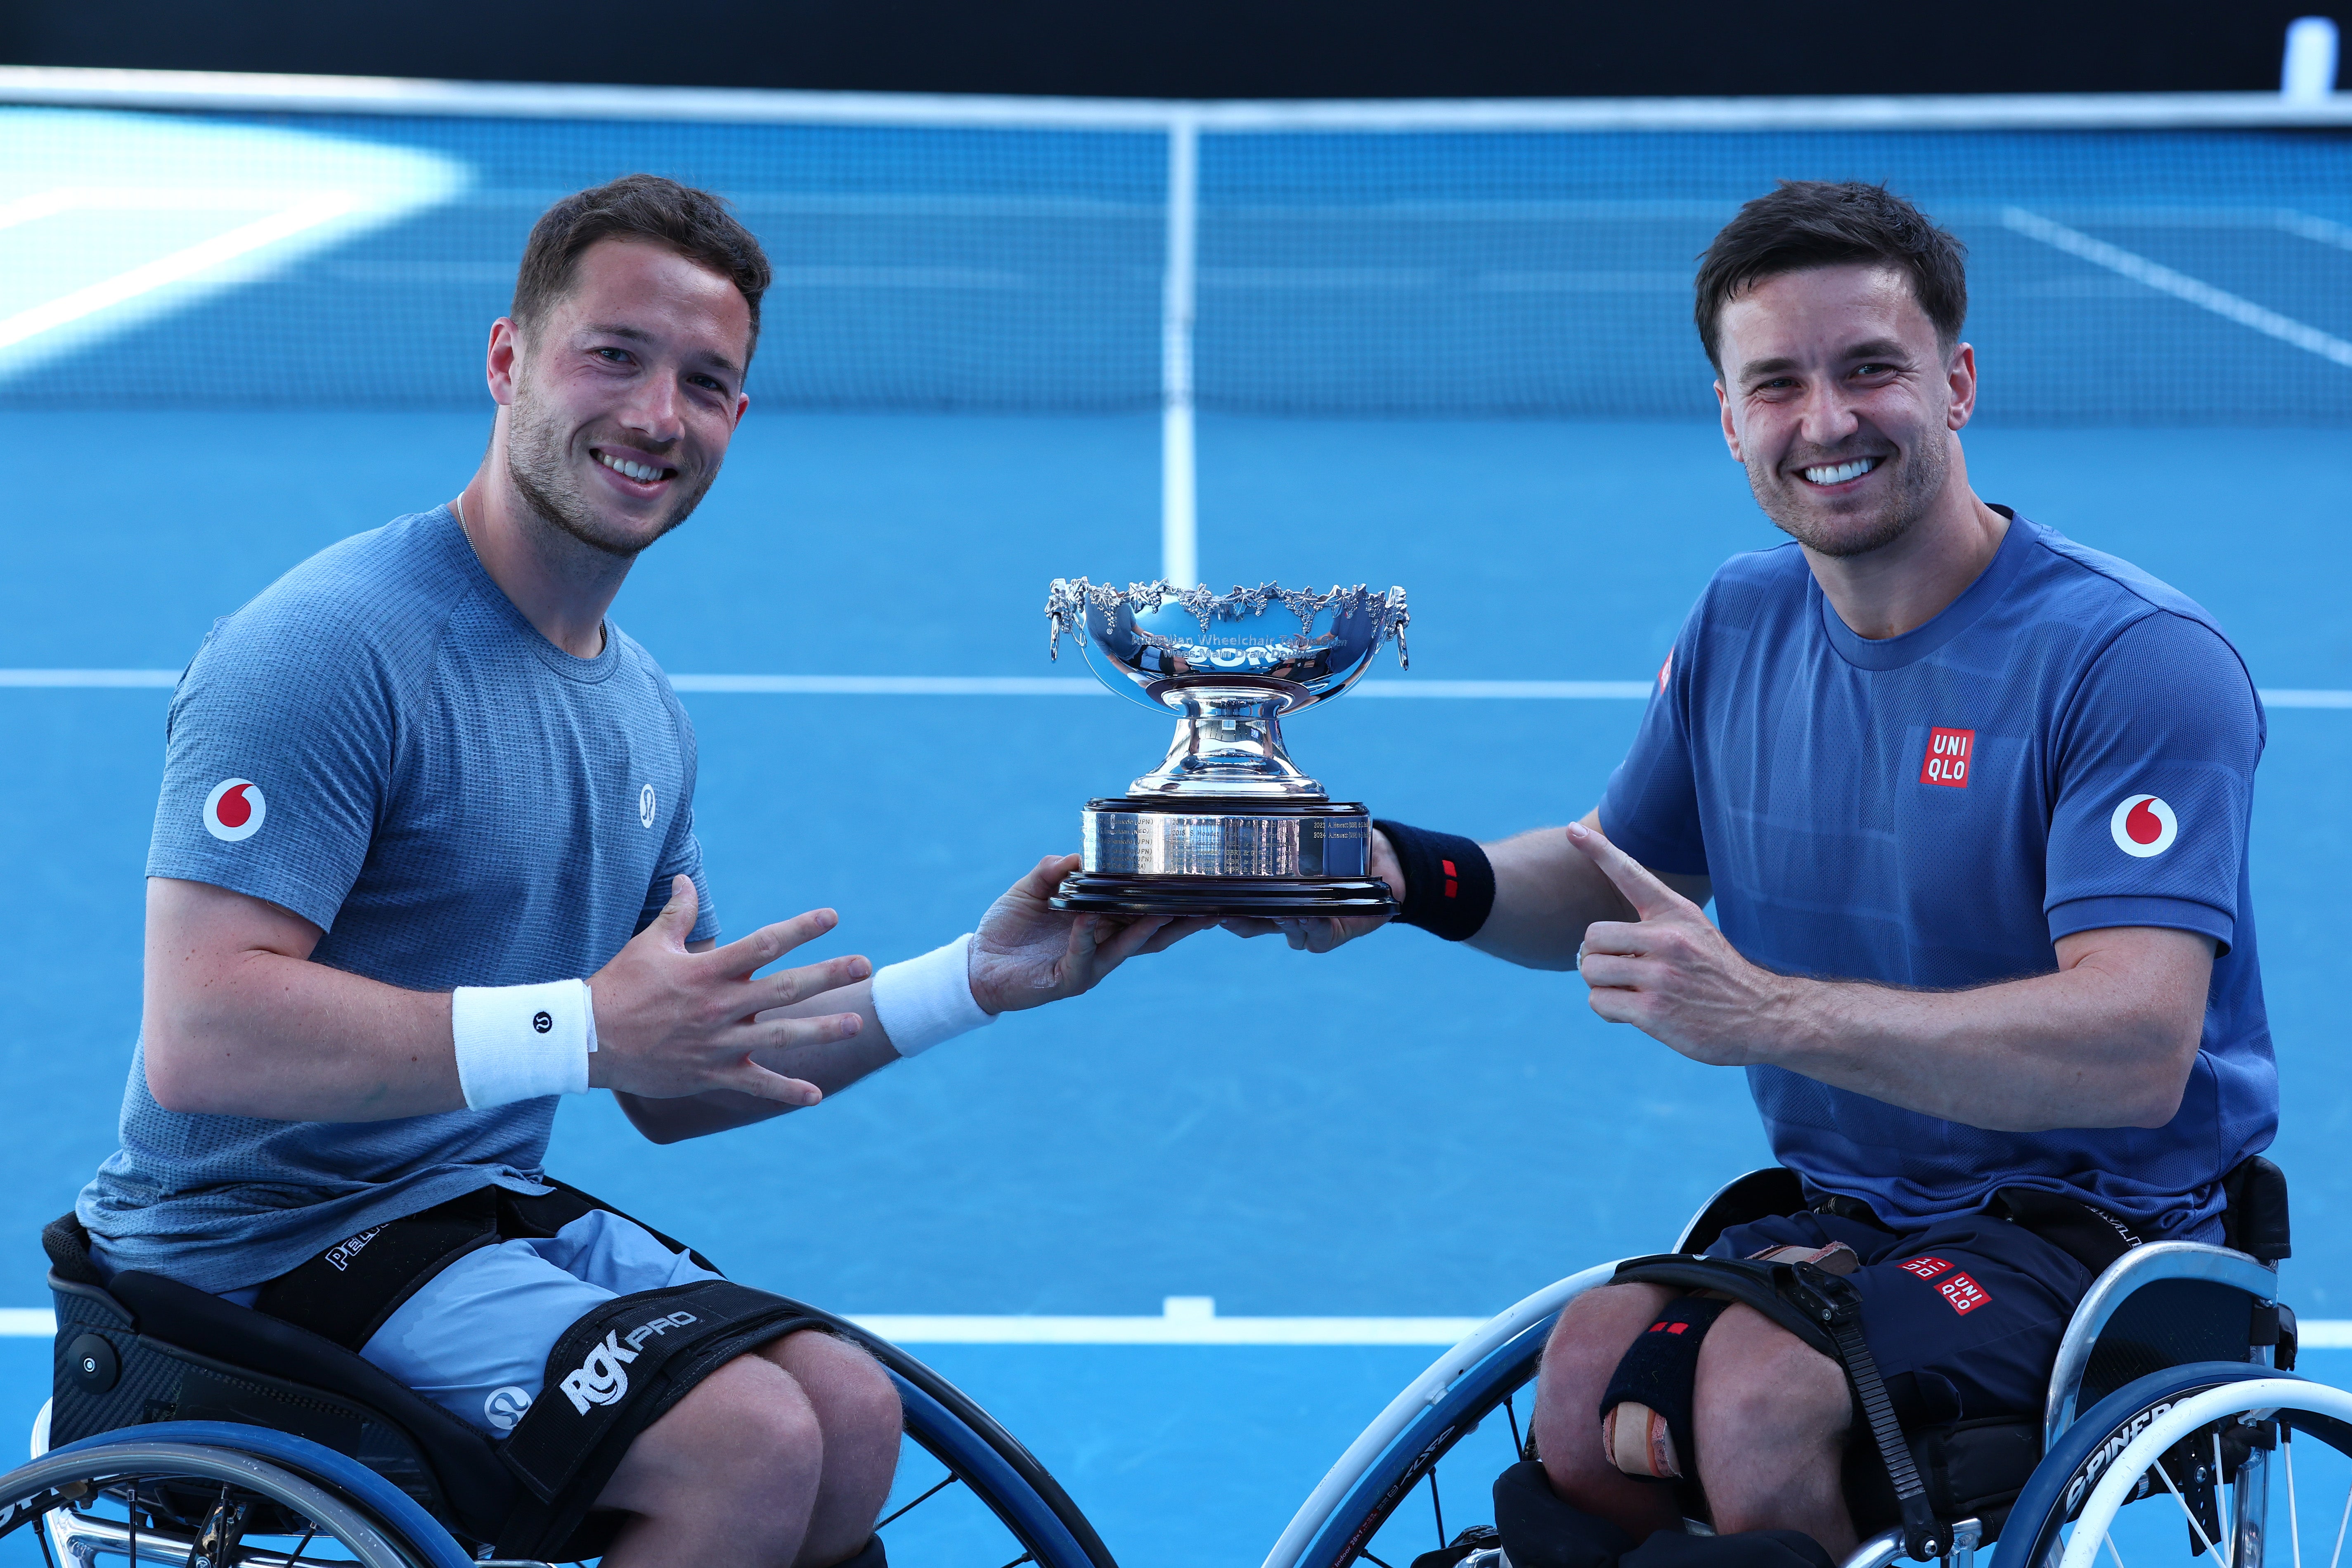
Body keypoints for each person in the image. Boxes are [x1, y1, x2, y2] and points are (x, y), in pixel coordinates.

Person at [75, 174, 1199, 1568]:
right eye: (614, 355)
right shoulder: (325, 649)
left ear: (736, 418)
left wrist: (976, 981)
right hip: (247, 1262)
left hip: (454, 1219)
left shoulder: (641, 709)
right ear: (507, 361)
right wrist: (585, 1028)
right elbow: (202, 1036)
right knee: (746, 1438)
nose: (657, 416)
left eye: (706, 382)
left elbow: (679, 1076)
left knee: (847, 1408)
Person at [1231, 180, 2273, 1559]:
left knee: (1758, 1398)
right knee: (1589, 1374)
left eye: (1870, 371)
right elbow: (1623, 878)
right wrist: (1398, 877)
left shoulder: (2129, 660)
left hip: (2097, 1230)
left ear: (1955, 385)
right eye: (1775, 384)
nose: (1826, 422)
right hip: (1847, 1216)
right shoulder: (1741, 616)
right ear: (1728, 419)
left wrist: (1766, 1017)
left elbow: (2136, 1048)